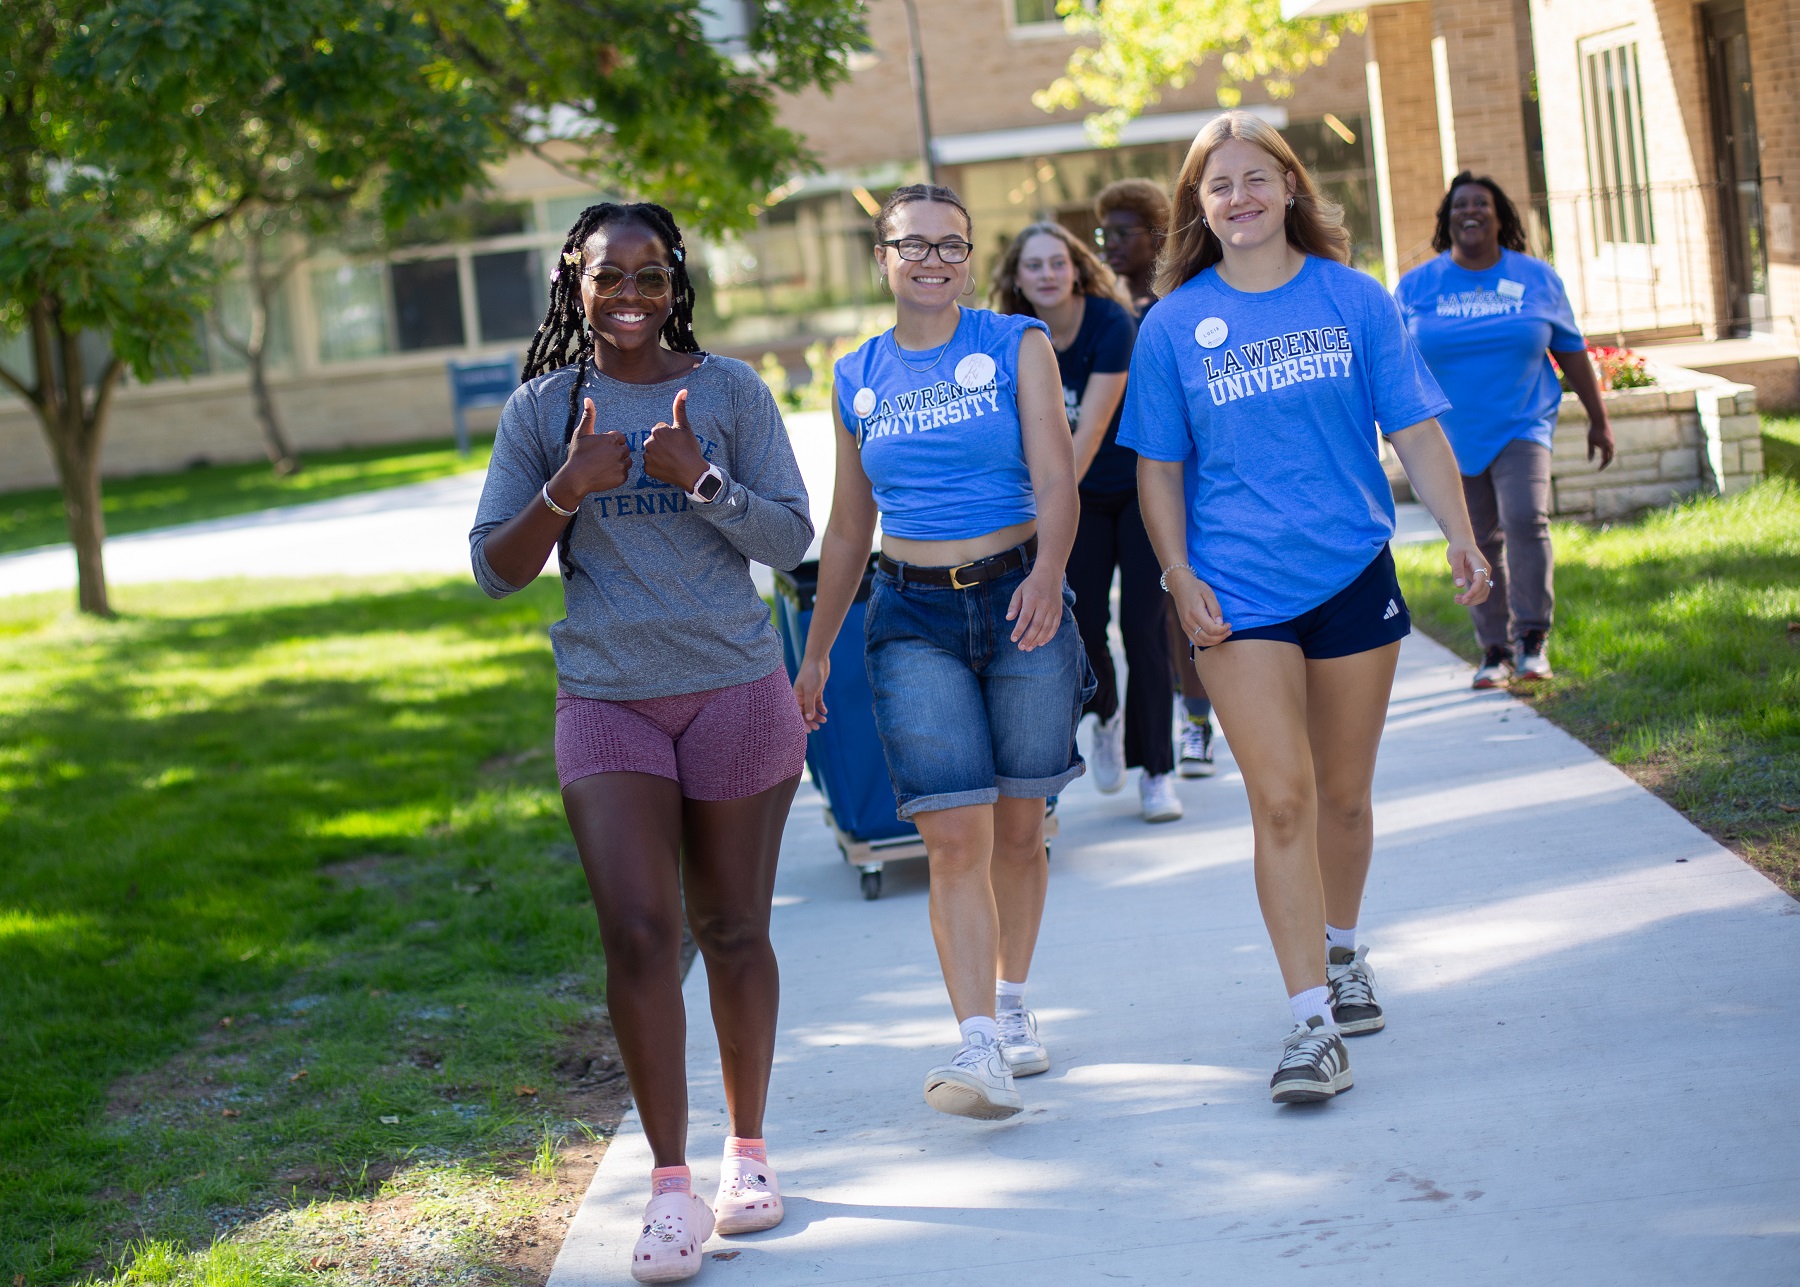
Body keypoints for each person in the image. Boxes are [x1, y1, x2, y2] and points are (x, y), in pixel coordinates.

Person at [469, 202, 811, 1283]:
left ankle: (748, 1154)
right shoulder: (540, 408)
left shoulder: (731, 391)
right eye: (607, 277)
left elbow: (792, 536)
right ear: (575, 279)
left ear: (678, 284)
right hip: (609, 698)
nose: (629, 297)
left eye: (650, 277)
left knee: (733, 928)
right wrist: (568, 486)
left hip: (733, 691)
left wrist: (698, 479)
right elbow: (495, 568)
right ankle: (671, 1188)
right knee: (638, 935)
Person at [1121, 113, 1491, 1104]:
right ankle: (1309, 1026)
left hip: (1350, 575)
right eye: (1216, 186)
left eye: (1254, 179)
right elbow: (1159, 471)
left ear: (1289, 187)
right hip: (1236, 591)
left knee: (1342, 796)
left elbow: (1412, 426)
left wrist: (1458, 532)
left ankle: (1342, 947)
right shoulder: (1172, 325)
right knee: (1278, 799)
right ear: (1198, 208)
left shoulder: (1353, 300)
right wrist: (1176, 571)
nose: (1237, 199)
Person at [794, 183, 1085, 1121]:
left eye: (950, 245)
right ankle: (978, 1045)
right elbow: (847, 528)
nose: (931, 258)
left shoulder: (1016, 346)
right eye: (910, 244)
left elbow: (1055, 474)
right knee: (951, 835)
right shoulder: (855, 376)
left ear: (968, 257)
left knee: (1017, 826)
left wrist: (1048, 574)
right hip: (909, 614)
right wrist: (816, 651)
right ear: (879, 257)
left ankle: (1012, 1003)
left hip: (1017, 599)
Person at [991, 221, 1180, 822]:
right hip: (1074, 499)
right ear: (1016, 279)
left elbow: (1091, 430)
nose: (1047, 275)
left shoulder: (1110, 322)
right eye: (1033, 265)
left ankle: (1157, 771)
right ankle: (1105, 715)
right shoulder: (1012, 337)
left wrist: (1042, 511)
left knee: (1145, 628)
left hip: (1135, 487)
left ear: (1076, 268)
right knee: (1085, 622)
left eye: (1057, 262)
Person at [1395, 171, 1614, 688]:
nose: (1470, 212)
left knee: (1524, 520)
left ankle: (1532, 640)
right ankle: (1494, 650)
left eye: (1481, 205)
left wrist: (1599, 421)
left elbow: (1571, 352)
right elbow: (1394, 361)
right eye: (1459, 206)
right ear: (1447, 220)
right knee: (1475, 540)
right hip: (1449, 435)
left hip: (1522, 421)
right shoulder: (1417, 285)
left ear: (1500, 218)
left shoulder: (1536, 277)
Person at [1096, 178, 1217, 777]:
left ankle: (1197, 723)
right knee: (1159, 608)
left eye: (1123, 233)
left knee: (1182, 604)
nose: (1111, 245)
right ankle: (1176, 716)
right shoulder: (1109, 308)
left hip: (1197, 471)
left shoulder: (1186, 297)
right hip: (1142, 473)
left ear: (1157, 233)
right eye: (1104, 235)